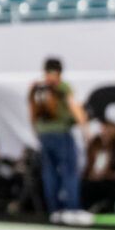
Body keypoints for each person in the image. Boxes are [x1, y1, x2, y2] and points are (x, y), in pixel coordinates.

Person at [29, 57, 87, 221]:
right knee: (70, 170)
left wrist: (37, 133)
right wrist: (84, 128)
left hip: (43, 134)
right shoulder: (61, 87)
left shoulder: (37, 88)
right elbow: (74, 107)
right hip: (61, 132)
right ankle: (72, 208)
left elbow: (32, 113)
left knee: (50, 172)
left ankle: (54, 210)